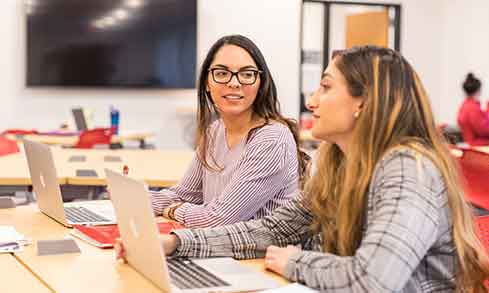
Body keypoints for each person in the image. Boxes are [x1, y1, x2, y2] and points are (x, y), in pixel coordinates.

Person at [118, 46, 489, 291]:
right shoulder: (338, 163)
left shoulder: (409, 169)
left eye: (326, 87)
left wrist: (297, 262)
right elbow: (272, 229)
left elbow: (371, 281)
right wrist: (174, 243)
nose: (312, 101)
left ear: (365, 102)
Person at [149, 35, 309, 228]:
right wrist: (135, 201)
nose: (234, 83)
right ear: (207, 83)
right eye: (222, 73)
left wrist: (173, 210)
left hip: (260, 256)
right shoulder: (214, 131)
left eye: (247, 74)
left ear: (260, 84)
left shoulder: (273, 139)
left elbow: (219, 219)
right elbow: (184, 194)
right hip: (221, 253)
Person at [457, 72, 489, 146]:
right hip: (477, 145)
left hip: (471, 143)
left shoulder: (464, 106)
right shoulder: (473, 108)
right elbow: (484, 130)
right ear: (479, 90)